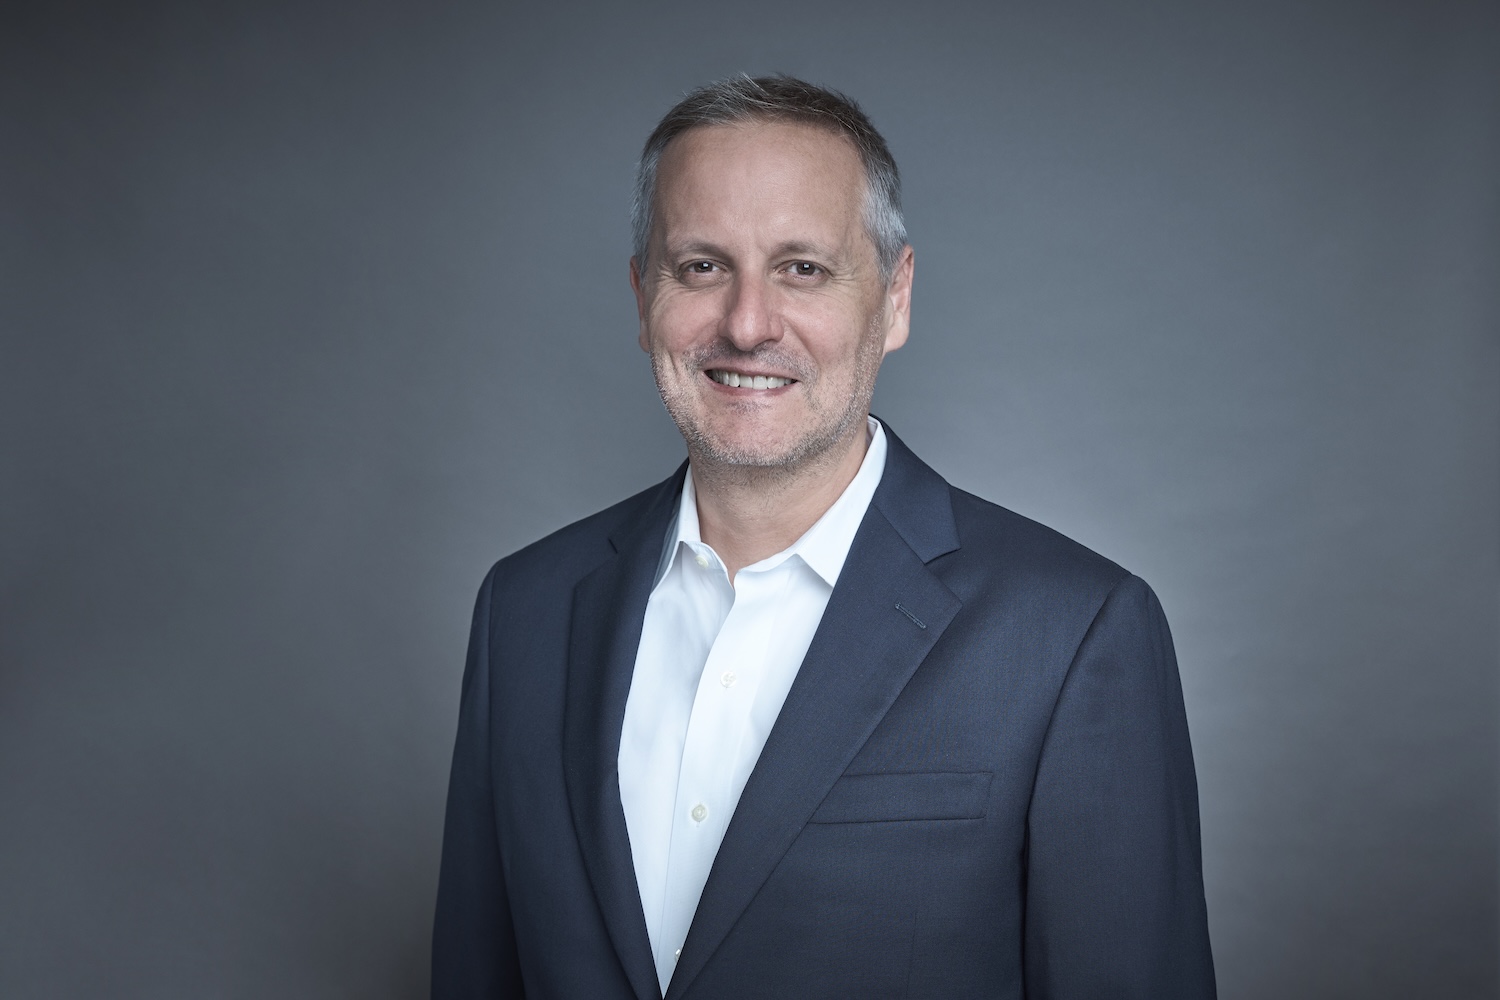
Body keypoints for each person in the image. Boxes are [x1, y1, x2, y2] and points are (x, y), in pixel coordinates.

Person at [432, 75, 1216, 1000]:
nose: (748, 323)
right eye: (701, 266)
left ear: (894, 299)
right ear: (644, 298)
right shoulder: (523, 611)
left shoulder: (1074, 634)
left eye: (802, 267)